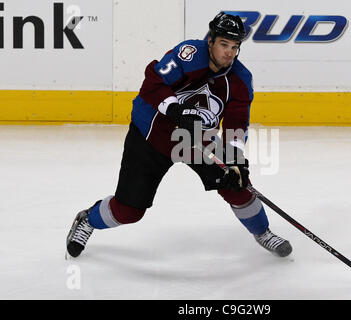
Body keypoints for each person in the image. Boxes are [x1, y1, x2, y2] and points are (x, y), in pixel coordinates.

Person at [66, 12, 292, 259]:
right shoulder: (189, 54)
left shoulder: (239, 79)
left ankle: (262, 232)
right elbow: (153, 82)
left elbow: (237, 122)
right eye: (224, 44)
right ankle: (87, 220)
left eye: (235, 47)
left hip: (196, 140)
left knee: (238, 185)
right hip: (152, 135)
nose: (229, 52)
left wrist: (235, 158)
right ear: (211, 42)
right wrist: (174, 109)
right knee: (129, 211)